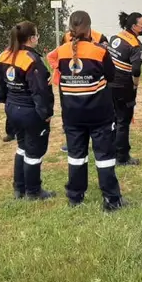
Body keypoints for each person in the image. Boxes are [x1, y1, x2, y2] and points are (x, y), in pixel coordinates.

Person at [57, 11, 126, 210]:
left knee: (76, 157)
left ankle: (75, 197)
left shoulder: (61, 51)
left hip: (72, 114)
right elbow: (111, 76)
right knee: (104, 157)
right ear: (89, 29)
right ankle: (111, 200)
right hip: (99, 114)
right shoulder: (99, 51)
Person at [0, 21, 56, 200]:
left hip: (12, 108)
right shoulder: (31, 60)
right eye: (36, 35)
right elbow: (39, 90)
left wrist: (5, 101)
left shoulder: (4, 55)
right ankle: (34, 191)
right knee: (34, 150)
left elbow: (0, 84)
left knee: (22, 146)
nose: (38, 38)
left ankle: (19, 188)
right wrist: (46, 113)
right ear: (31, 38)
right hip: (30, 111)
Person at [48, 28, 109, 152]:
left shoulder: (99, 36)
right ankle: (70, 140)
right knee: (68, 112)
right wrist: (57, 69)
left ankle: (94, 141)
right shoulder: (66, 37)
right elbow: (56, 56)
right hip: (68, 82)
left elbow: (106, 55)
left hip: (89, 81)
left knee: (90, 113)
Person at [107, 11, 142, 166]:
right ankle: (122, 157)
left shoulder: (115, 37)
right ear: (134, 27)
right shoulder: (136, 46)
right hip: (124, 87)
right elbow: (136, 70)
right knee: (123, 121)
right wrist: (136, 84)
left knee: (113, 120)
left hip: (109, 84)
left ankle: (110, 151)